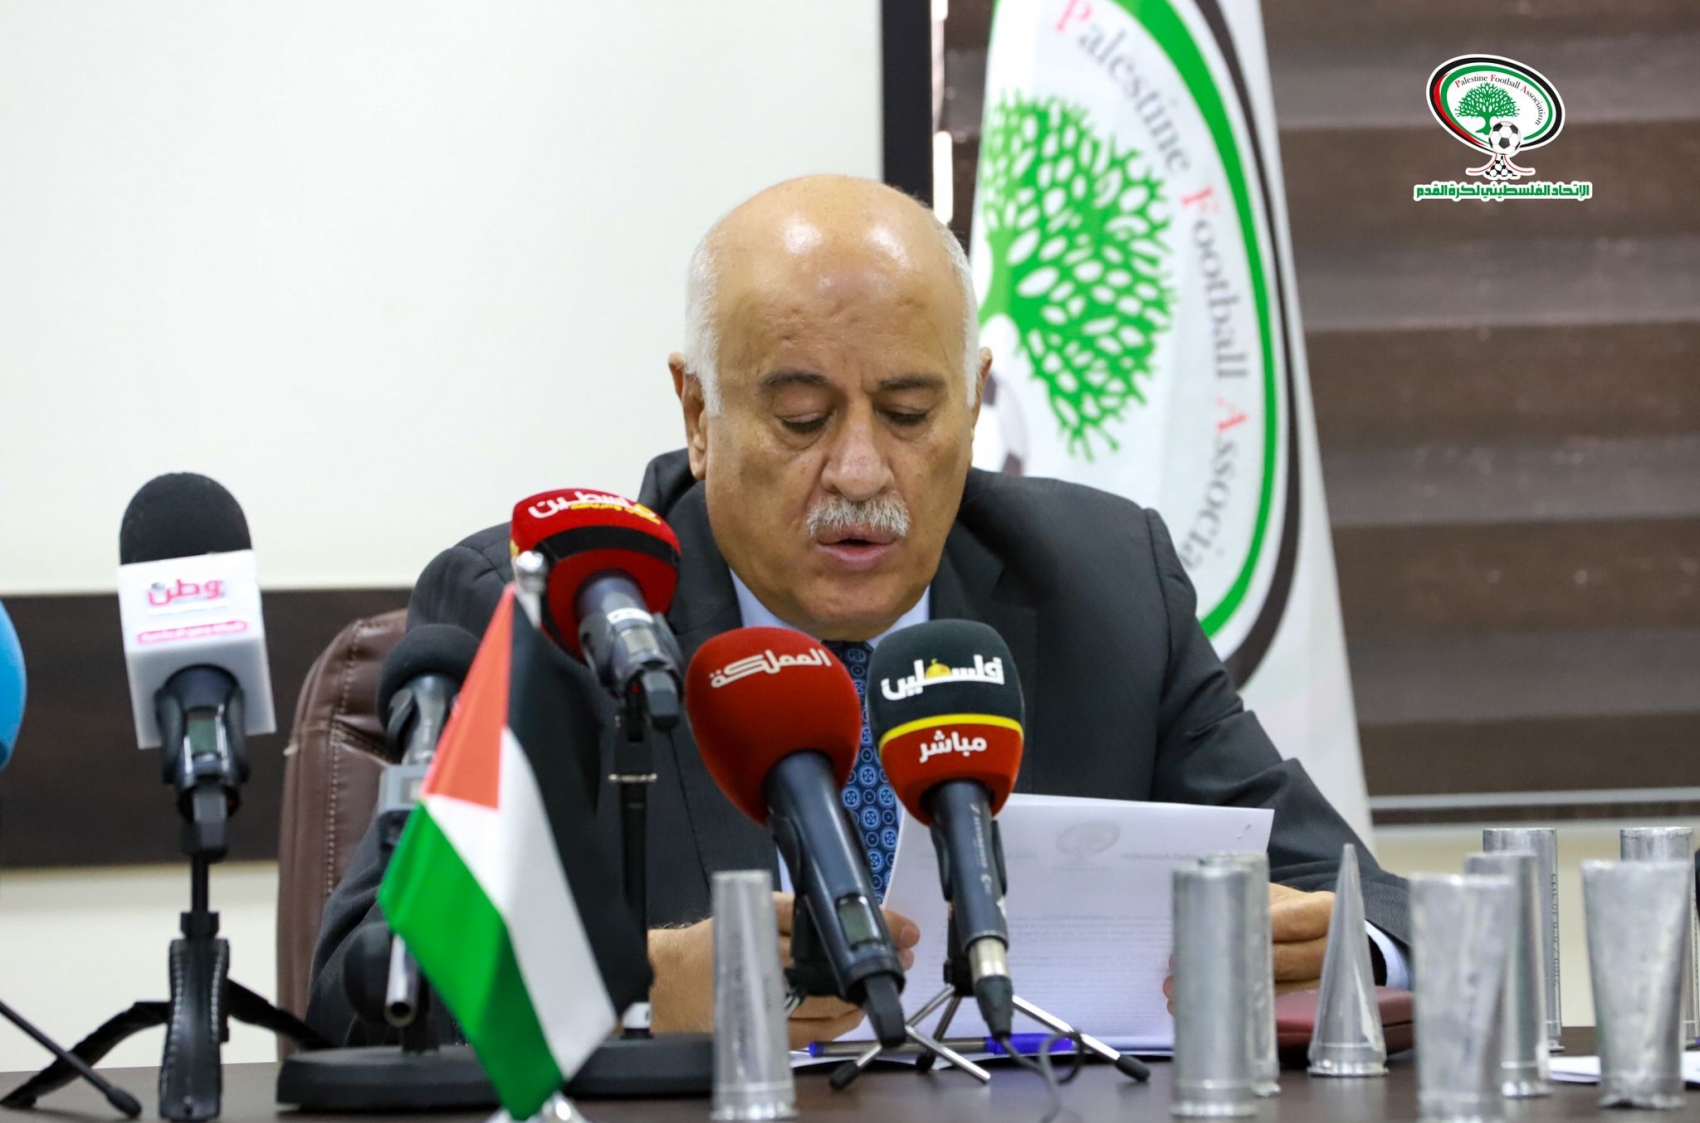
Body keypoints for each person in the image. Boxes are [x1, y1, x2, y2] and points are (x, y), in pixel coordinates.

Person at [308, 175, 1409, 1049]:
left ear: (972, 401)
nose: (859, 471)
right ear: (698, 414)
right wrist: (637, 988)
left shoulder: (1106, 587)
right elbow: (364, 985)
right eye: (800, 417)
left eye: (909, 412)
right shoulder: (562, 610)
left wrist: (1342, 951)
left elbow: (1379, 907)